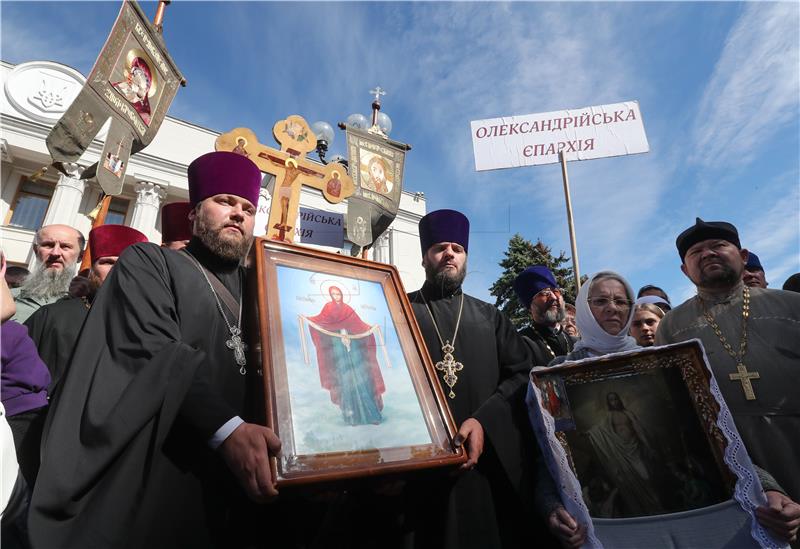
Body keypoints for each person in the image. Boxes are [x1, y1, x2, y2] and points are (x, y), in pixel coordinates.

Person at [29, 151, 283, 549]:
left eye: (248, 208)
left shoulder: (265, 286)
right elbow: (154, 349)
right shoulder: (150, 263)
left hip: (255, 480)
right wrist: (227, 429)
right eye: (225, 202)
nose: (238, 214)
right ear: (196, 213)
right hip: (173, 471)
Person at [405, 209, 579, 549]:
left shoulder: (490, 317)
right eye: (440, 247)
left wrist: (484, 421)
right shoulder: (401, 310)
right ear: (426, 256)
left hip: (483, 468)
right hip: (417, 470)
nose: (449, 253)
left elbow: (520, 376)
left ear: (466, 257)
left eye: (457, 248)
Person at [656, 218, 800, 544]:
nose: (708, 253)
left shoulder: (792, 307)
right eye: (696, 251)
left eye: (718, 245)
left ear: (743, 254)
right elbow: (685, 416)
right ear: (684, 269)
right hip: (738, 470)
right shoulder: (671, 327)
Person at [26, 224, 148, 398]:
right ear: (92, 271)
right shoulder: (52, 315)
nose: (117, 270)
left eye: (126, 263)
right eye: (107, 262)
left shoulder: (152, 323)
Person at [301, 285, 385, 425]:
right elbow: (320, 321)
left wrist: (370, 329)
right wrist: (307, 319)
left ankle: (372, 416)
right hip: (339, 352)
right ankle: (352, 418)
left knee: (362, 379)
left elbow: (359, 325)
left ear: (342, 294)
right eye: (333, 294)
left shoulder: (348, 309)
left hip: (354, 351)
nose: (336, 297)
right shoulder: (328, 308)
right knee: (345, 382)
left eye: (338, 294)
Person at [584, 391, 665, 517]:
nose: (614, 402)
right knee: (633, 479)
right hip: (622, 451)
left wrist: (649, 447)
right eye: (611, 400)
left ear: (619, 400)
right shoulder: (609, 416)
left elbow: (639, 431)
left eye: (616, 399)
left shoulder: (628, 414)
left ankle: (656, 504)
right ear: (609, 403)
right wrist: (588, 434)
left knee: (646, 476)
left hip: (635, 448)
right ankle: (649, 508)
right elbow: (600, 430)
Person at [549, 271, 640, 366]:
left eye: (620, 302)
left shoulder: (652, 359)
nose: (612, 308)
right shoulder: (559, 369)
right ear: (585, 309)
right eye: (601, 301)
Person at [11, 224, 85, 323]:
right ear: (36, 251)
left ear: (80, 256)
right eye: (48, 245)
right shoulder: (7, 299)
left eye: (65, 246)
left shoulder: (87, 305)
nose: (55, 253)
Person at [513, 266, 576, 366]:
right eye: (545, 293)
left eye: (556, 291)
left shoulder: (576, 343)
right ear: (530, 306)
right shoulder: (520, 344)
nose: (554, 297)